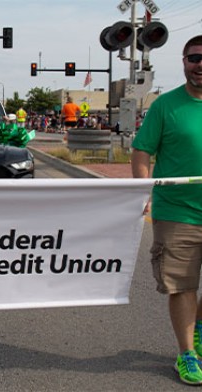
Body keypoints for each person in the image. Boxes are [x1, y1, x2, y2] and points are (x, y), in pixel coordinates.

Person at [131, 35, 202, 386]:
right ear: (184, 62)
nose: (200, 64)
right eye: (194, 58)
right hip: (178, 213)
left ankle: (198, 325)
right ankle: (187, 353)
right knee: (182, 285)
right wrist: (143, 190)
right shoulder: (165, 106)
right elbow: (142, 151)